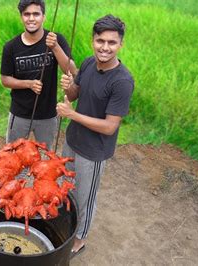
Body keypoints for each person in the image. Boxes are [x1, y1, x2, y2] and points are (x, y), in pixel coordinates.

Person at [56, 14, 134, 258]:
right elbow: (76, 92)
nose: (105, 47)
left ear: (121, 44)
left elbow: (110, 127)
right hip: (72, 140)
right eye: (101, 41)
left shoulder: (122, 81)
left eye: (112, 42)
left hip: (94, 150)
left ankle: (79, 239)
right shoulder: (89, 63)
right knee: (65, 185)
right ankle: (64, 222)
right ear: (93, 40)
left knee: (84, 195)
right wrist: (67, 87)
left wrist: (72, 114)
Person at [1, 0, 77, 150]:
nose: (31, 18)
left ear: (43, 16)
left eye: (36, 14)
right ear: (21, 17)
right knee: (13, 153)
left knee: (46, 154)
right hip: (20, 112)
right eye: (27, 14)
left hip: (48, 113)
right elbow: (5, 79)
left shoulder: (56, 39)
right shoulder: (11, 47)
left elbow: (71, 69)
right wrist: (28, 84)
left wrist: (55, 47)